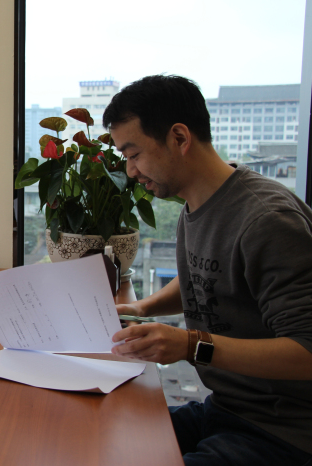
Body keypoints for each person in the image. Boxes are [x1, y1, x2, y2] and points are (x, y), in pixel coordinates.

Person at [103, 75, 312, 465]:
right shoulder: (198, 203)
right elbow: (206, 279)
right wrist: (144, 308)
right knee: (100, 434)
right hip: (225, 409)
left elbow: (307, 351)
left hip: (283, 431)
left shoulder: (268, 220)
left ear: (179, 138)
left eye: (134, 154)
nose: (131, 171)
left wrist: (190, 345)